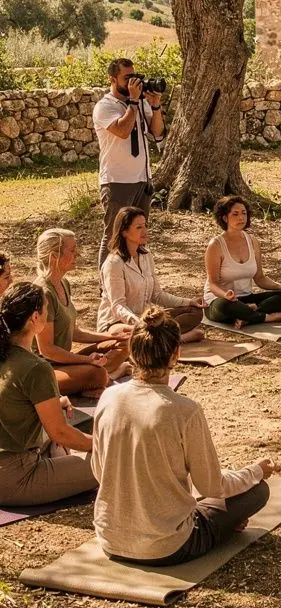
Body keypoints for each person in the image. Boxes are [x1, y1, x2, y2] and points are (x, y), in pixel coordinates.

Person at [92, 306, 272, 564]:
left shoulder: (109, 397)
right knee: (258, 491)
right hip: (168, 545)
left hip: (111, 539)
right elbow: (212, 486)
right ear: (176, 354)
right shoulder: (184, 410)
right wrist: (255, 471)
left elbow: (99, 471)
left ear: (132, 352)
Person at [0, 282, 98, 506]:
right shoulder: (36, 368)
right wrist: (109, 444)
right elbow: (60, 434)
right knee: (114, 459)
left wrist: (55, 402)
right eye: (46, 309)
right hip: (15, 477)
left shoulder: (10, 356)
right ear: (35, 318)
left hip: (11, 462)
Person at [36, 228, 131, 395]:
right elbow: (47, 350)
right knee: (97, 373)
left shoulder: (64, 283)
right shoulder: (43, 293)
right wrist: (87, 360)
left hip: (65, 362)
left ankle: (93, 383)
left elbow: (75, 332)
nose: (77, 254)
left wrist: (113, 336)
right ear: (54, 256)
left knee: (125, 343)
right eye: (72, 250)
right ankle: (101, 379)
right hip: (45, 370)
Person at [92, 57, 165, 267]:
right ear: (112, 79)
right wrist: (133, 102)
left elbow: (158, 134)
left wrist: (156, 106)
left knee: (139, 235)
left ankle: (136, 279)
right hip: (117, 181)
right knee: (114, 235)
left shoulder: (140, 103)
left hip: (142, 180)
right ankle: (106, 287)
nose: (132, 82)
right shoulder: (104, 107)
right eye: (127, 78)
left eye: (134, 76)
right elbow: (123, 131)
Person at [99, 207, 204, 342]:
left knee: (194, 311)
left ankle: (160, 338)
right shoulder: (114, 263)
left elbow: (157, 295)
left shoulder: (146, 256)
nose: (145, 231)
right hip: (118, 322)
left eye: (145, 226)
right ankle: (176, 338)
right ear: (124, 232)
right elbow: (118, 306)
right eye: (138, 227)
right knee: (126, 336)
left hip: (148, 319)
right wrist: (139, 324)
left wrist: (189, 301)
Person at [204, 195, 281, 328]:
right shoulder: (215, 245)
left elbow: (260, 278)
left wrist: (280, 286)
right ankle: (268, 317)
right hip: (220, 300)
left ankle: (248, 315)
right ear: (225, 218)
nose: (241, 218)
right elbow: (213, 285)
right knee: (224, 306)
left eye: (244, 213)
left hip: (246, 299)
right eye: (235, 214)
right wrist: (226, 294)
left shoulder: (253, 241)